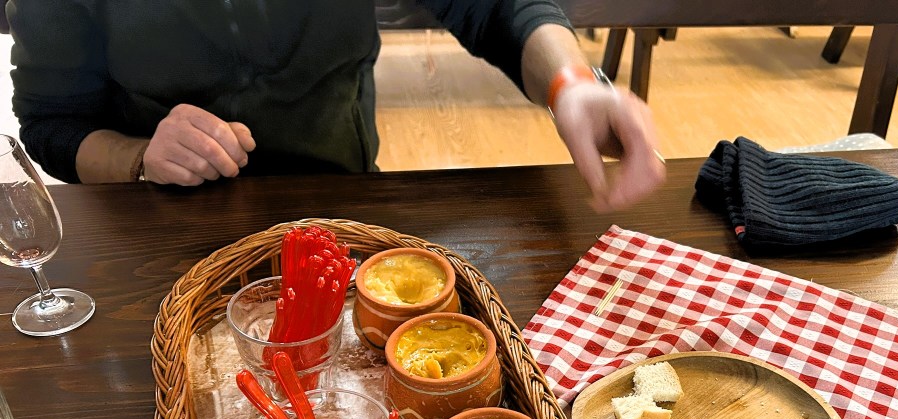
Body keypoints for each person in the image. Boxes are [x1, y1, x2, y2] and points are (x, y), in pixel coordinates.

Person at [6, 1, 665, 212]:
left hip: (342, 203)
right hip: (159, 227)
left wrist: (570, 83)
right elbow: (50, 122)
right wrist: (140, 157)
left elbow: (498, 5)